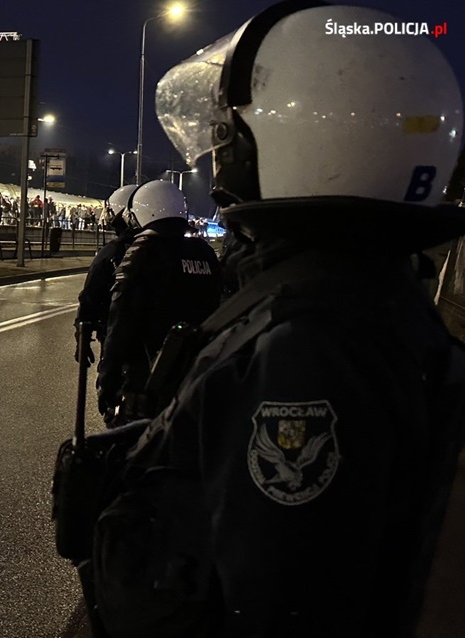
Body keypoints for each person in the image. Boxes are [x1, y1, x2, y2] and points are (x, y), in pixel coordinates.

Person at [85, 3, 465, 637]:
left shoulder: (307, 349)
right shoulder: (376, 301)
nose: (221, 162)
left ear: (297, 144)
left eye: (230, 139)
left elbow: (277, 601)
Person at [96, 179, 222, 427]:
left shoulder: (143, 252)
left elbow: (121, 320)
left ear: (145, 210)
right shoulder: (204, 252)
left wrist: (107, 381)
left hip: (148, 380)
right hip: (197, 375)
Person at [73, 184, 139, 368]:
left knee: (112, 388)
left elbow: (90, 297)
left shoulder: (114, 252)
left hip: (119, 341)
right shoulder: (191, 249)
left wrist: (82, 333)